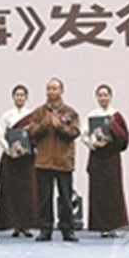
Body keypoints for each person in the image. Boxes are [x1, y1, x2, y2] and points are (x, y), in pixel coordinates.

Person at [29, 78, 80, 242]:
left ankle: (67, 229)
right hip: (44, 161)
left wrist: (60, 127)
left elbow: (75, 132)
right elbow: (32, 132)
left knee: (65, 198)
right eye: (49, 89)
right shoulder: (39, 112)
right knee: (45, 198)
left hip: (63, 161)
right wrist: (44, 124)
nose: (51, 92)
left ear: (61, 91)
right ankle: (45, 229)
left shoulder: (70, 112)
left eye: (54, 89)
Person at [81, 84, 129, 237]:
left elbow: (125, 139)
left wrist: (113, 126)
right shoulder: (92, 116)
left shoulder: (116, 116)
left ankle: (113, 226)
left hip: (112, 158)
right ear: (97, 98)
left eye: (105, 95)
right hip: (97, 158)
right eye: (100, 95)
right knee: (98, 191)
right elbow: (84, 136)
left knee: (113, 192)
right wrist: (93, 144)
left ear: (110, 97)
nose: (103, 98)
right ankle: (101, 226)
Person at [0, 84, 39, 237]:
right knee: (12, 191)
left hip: (27, 159)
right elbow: (0, 135)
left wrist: (33, 148)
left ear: (26, 98)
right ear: (13, 97)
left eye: (22, 95)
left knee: (27, 191)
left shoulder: (32, 116)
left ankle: (26, 226)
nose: (19, 98)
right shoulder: (7, 115)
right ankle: (15, 225)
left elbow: (36, 136)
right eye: (17, 95)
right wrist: (8, 150)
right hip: (11, 158)